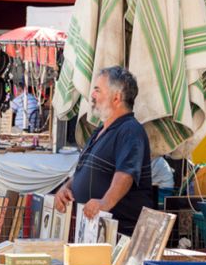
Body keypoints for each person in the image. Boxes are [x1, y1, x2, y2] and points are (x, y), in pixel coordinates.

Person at [54, 66, 152, 235]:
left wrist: (104, 203)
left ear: (116, 98)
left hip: (118, 233)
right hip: (93, 230)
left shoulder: (130, 130)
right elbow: (82, 171)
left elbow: (126, 174)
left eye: (98, 90)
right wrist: (65, 188)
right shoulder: (100, 130)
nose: (92, 95)